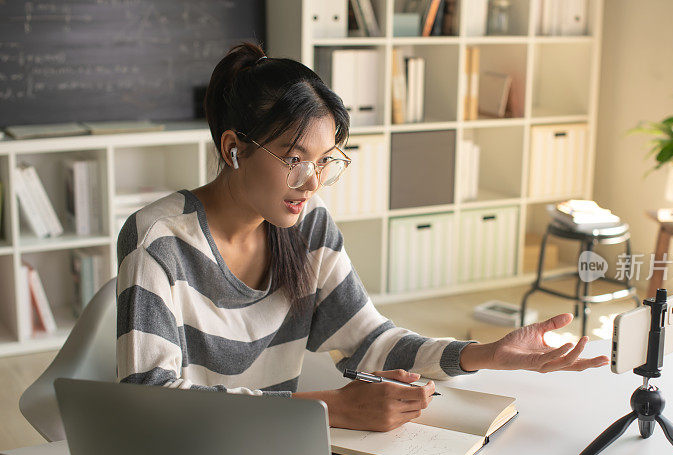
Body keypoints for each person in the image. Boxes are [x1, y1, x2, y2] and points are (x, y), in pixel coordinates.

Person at [116, 42, 608, 433]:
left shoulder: (307, 227)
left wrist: (484, 353)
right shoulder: (159, 242)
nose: (312, 182)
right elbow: (151, 406)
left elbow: (369, 341)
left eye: (326, 160)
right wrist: (332, 408)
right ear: (233, 149)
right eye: (294, 158)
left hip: (279, 453)